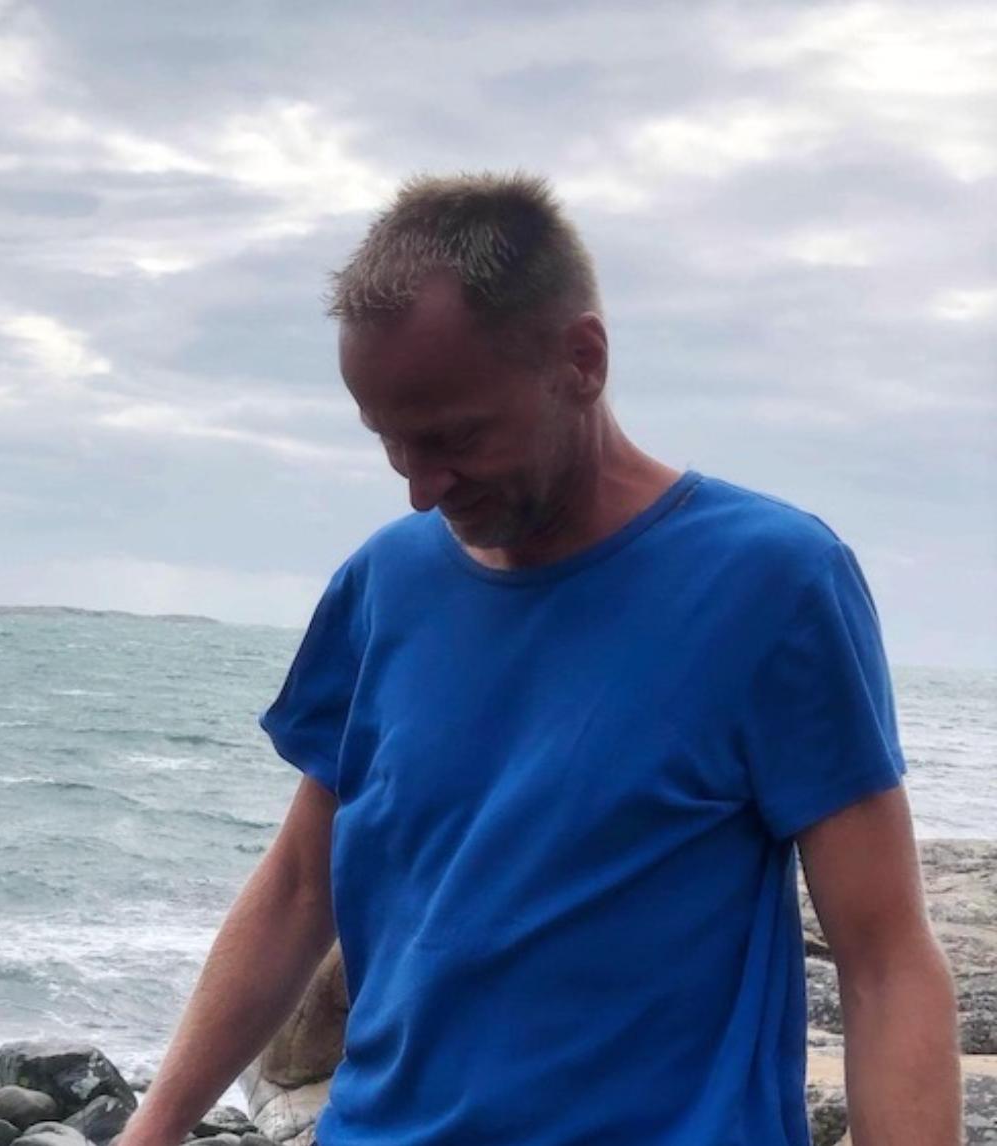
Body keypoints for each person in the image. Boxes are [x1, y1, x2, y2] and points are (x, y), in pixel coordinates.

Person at [116, 173, 962, 1145]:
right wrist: (156, 1125)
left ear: (582, 360)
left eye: (457, 437)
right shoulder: (383, 584)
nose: (421, 488)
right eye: (392, 442)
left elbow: (885, 960)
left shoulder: (774, 584)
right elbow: (303, 886)